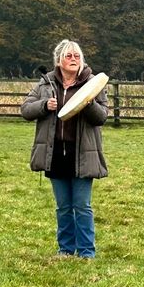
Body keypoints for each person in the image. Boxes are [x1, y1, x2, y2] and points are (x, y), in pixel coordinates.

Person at [21, 40, 109, 258]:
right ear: (58, 60)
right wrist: (44, 106)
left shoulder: (92, 84)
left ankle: (87, 252)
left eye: (77, 56)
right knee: (63, 207)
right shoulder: (45, 84)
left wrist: (88, 103)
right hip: (54, 154)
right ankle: (66, 250)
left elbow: (102, 117)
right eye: (69, 56)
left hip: (81, 154)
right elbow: (25, 109)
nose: (73, 59)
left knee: (82, 206)